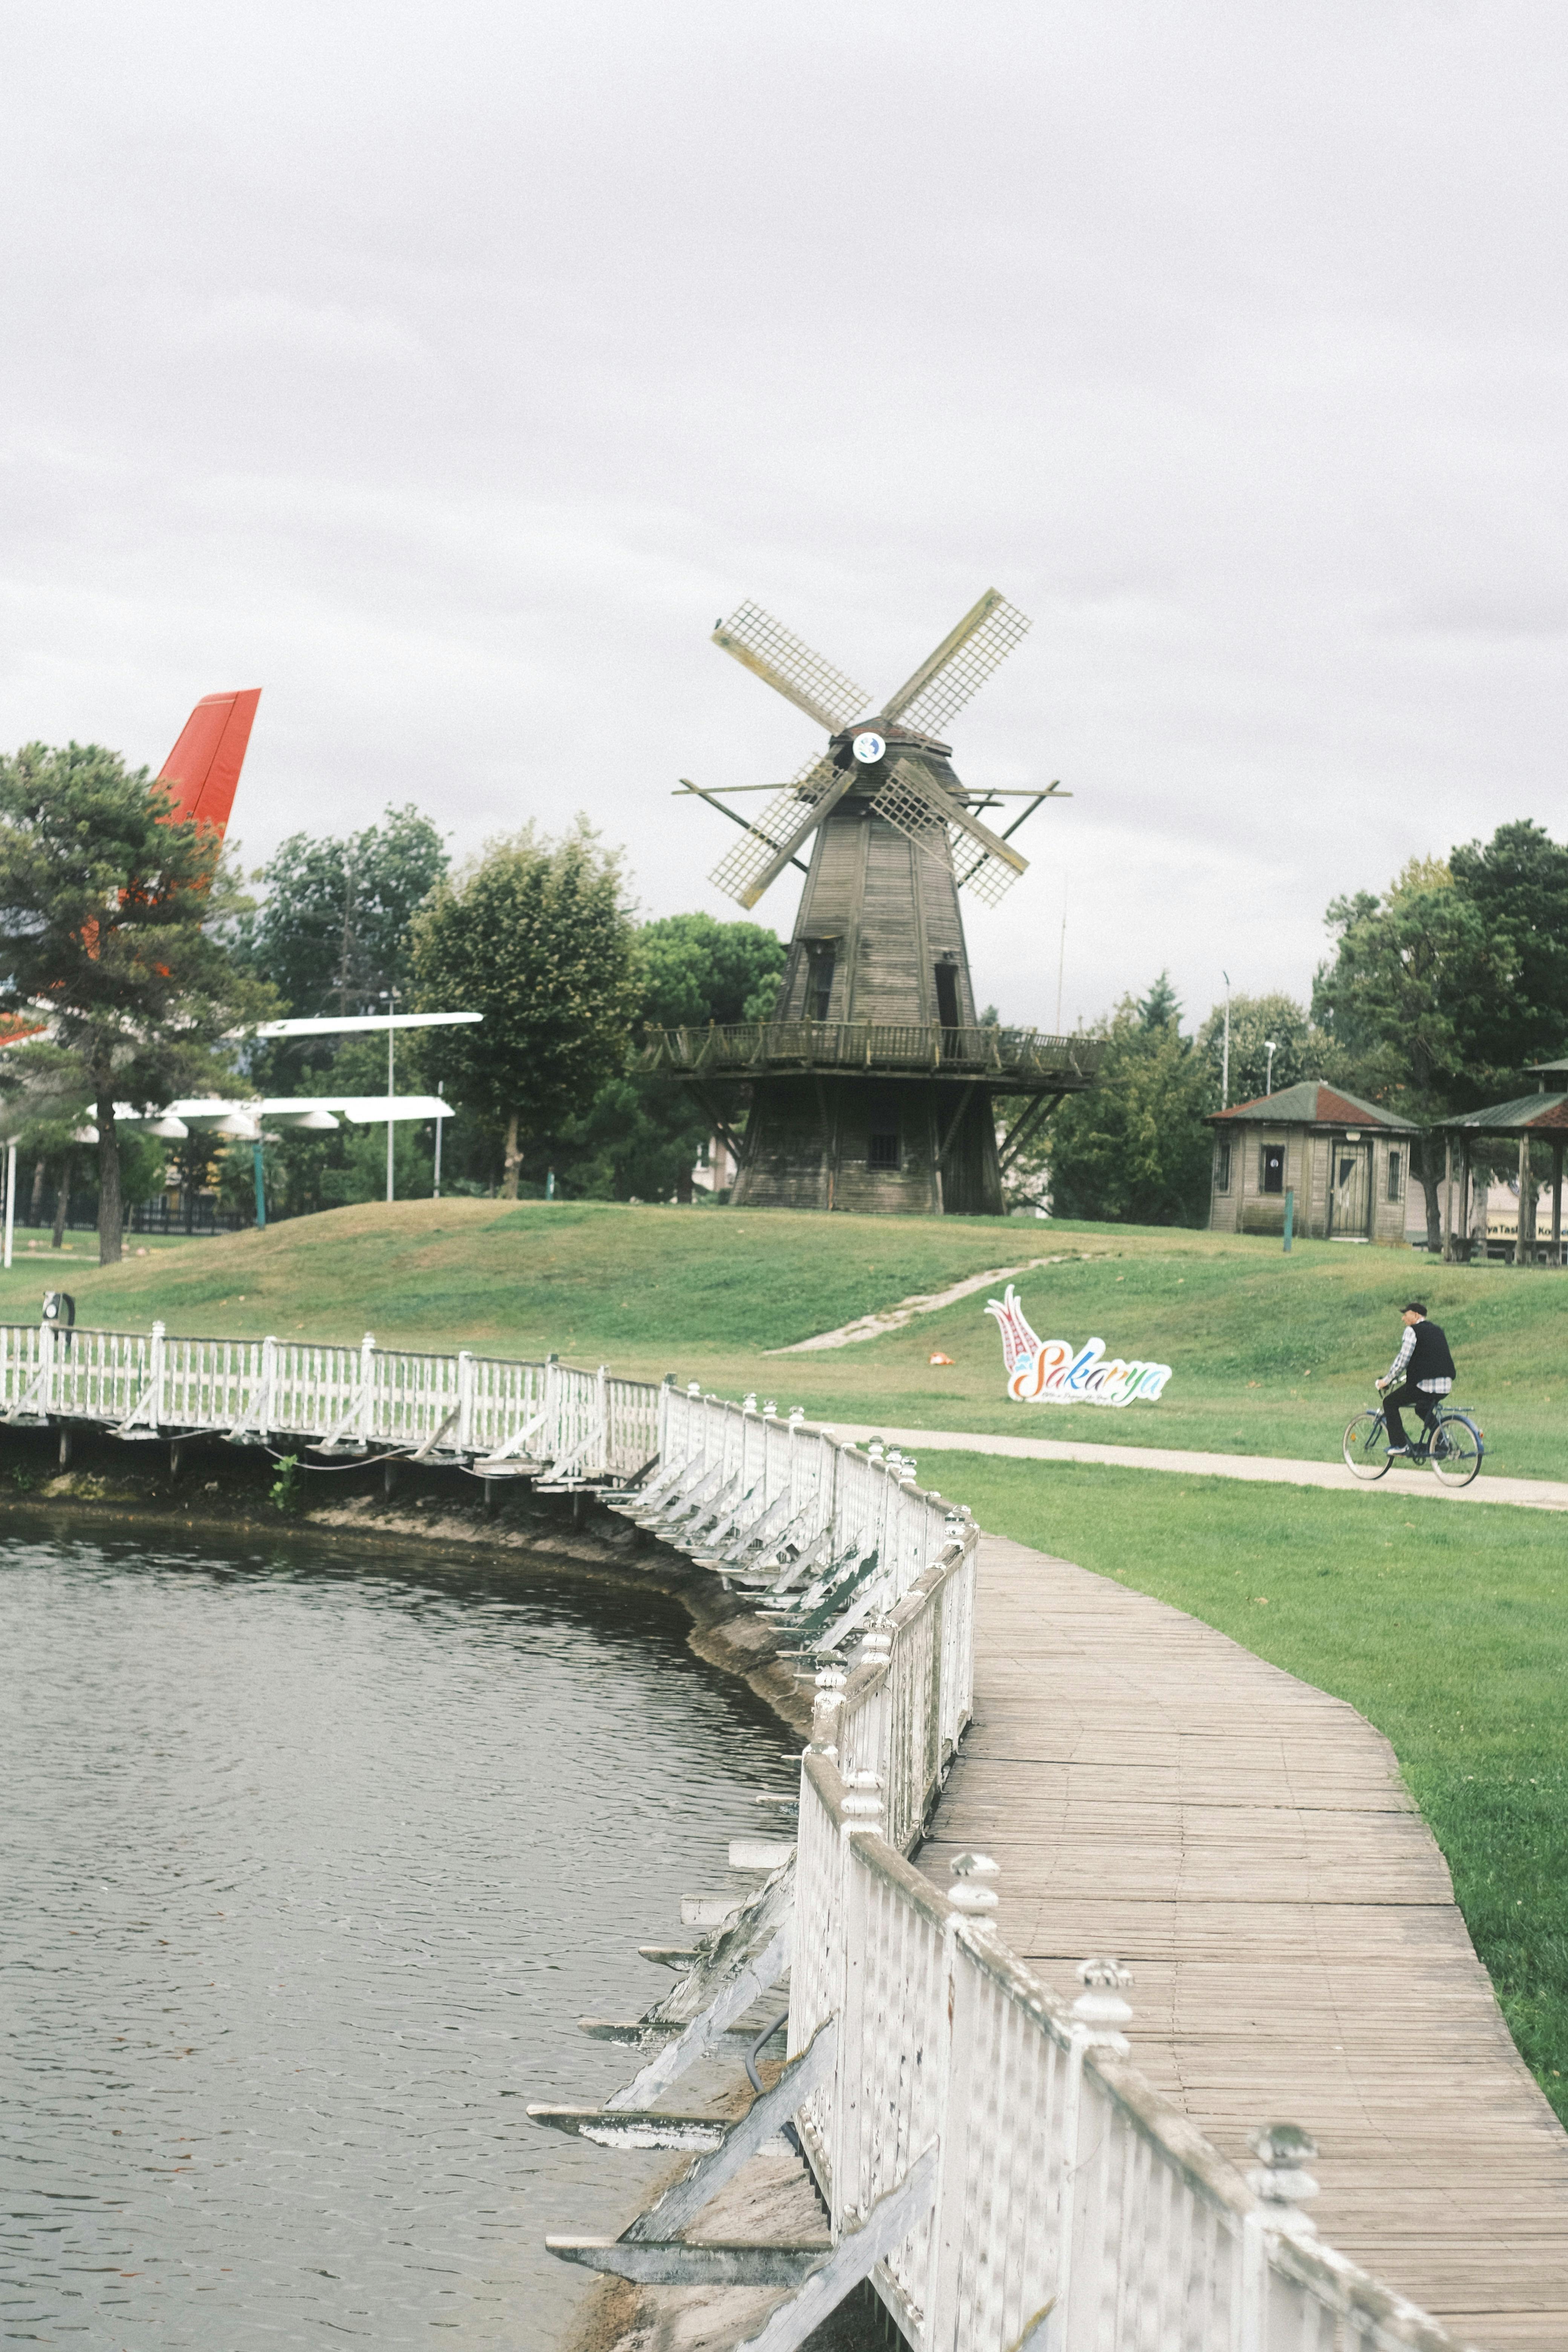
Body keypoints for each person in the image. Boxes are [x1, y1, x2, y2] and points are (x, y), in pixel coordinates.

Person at [1377, 1302, 1456, 1456]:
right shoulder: (1437, 1330)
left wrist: (1386, 1380)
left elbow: (1403, 1360)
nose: (1403, 1318)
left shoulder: (1412, 1331)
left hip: (1426, 1386)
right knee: (1422, 1409)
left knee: (1390, 1402)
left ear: (1416, 1315)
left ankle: (1400, 1446)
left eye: (1406, 1314)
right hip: (1445, 1385)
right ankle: (1441, 1443)